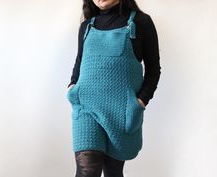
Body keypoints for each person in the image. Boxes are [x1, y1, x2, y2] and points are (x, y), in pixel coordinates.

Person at [66, 0, 161, 176]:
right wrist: (72, 87)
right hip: (86, 109)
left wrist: (140, 102)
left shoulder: (141, 22)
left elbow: (153, 69)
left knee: (113, 172)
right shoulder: (87, 26)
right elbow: (79, 62)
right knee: (87, 171)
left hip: (121, 113)